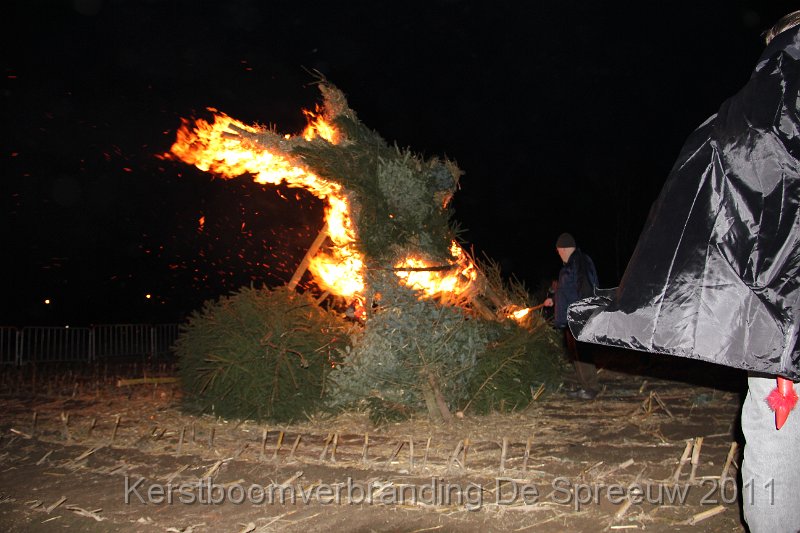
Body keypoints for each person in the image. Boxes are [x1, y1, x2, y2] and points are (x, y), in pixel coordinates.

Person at [568, 12, 800, 532]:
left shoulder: (741, 126)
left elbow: (700, 230)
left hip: (781, 326)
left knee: (780, 431)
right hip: (779, 325)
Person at [544, 232, 600, 400]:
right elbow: (566, 291)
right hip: (569, 318)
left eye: (558, 251)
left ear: (563, 248)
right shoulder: (569, 266)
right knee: (576, 354)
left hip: (579, 317)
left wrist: (583, 313)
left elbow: (586, 287)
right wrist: (553, 300)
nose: (558, 254)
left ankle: (590, 388)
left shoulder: (580, 261)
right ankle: (585, 385)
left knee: (583, 353)